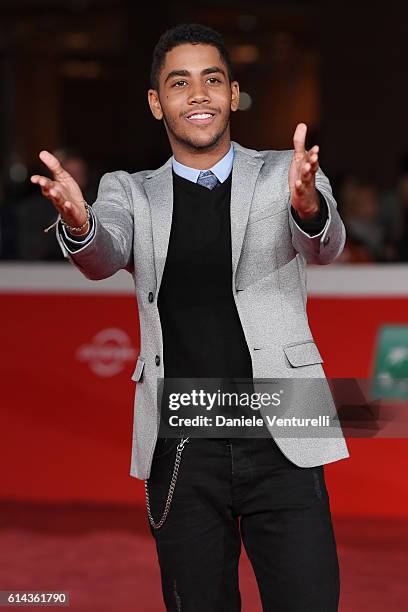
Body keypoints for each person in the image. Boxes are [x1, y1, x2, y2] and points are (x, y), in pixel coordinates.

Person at [31, 22, 349, 612]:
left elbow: (326, 245)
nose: (197, 93)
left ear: (231, 94)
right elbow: (105, 254)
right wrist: (80, 225)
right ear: (158, 103)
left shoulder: (289, 171)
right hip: (181, 431)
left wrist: (308, 206)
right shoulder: (128, 189)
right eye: (180, 83)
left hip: (285, 416)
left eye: (212, 80)